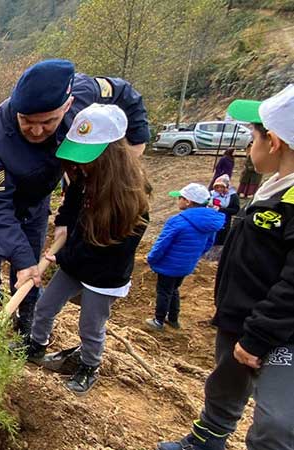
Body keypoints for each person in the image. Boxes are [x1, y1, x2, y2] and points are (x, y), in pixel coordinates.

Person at [0, 59, 149, 336]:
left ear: (67, 105)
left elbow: (124, 93)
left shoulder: (83, 93)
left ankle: (28, 326)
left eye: (48, 122)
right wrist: (22, 260)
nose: (36, 131)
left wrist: (137, 140)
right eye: (27, 121)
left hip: (36, 201)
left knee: (31, 267)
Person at [158, 86, 294, 450]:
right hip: (240, 316)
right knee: (225, 386)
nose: (250, 147)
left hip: (275, 330)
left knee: (277, 423)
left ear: (273, 142)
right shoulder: (274, 188)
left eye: (253, 138)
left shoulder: (289, 202)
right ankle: (206, 441)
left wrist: (259, 336)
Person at [24, 104, 150, 395]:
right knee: (45, 306)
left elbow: (102, 250)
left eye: (87, 156)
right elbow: (71, 204)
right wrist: (62, 224)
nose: (79, 164)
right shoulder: (85, 177)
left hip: (104, 276)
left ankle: (89, 366)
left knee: (91, 326)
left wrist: (62, 256)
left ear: (111, 155)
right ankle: (36, 344)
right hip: (75, 262)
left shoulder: (130, 199)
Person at [144, 183, 223, 331]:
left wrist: (152, 258)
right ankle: (173, 319)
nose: (178, 200)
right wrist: (194, 256)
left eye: (180, 197)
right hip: (187, 264)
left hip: (168, 264)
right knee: (174, 289)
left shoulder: (177, 221)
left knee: (164, 291)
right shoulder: (210, 222)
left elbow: (162, 243)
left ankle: (158, 321)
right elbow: (209, 243)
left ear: (188, 201)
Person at [209, 174, 240, 245]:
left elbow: (235, 210)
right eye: (217, 187)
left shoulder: (233, 196)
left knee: (220, 240)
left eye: (222, 187)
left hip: (225, 221)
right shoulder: (211, 194)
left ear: (227, 187)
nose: (219, 189)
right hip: (212, 219)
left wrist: (220, 209)